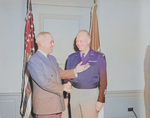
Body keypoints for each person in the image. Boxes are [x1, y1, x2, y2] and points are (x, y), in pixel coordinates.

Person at [27, 32, 90, 118]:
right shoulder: (34, 60)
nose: (53, 44)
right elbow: (43, 82)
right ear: (42, 43)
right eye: (51, 42)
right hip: (44, 108)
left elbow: (60, 73)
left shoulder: (52, 58)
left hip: (57, 105)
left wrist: (75, 71)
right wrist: (63, 87)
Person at [66, 30, 107, 118]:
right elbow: (67, 76)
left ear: (88, 41)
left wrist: (100, 100)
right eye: (77, 41)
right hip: (75, 93)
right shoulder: (71, 57)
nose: (78, 43)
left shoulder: (99, 57)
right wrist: (68, 83)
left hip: (91, 94)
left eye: (81, 41)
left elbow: (103, 81)